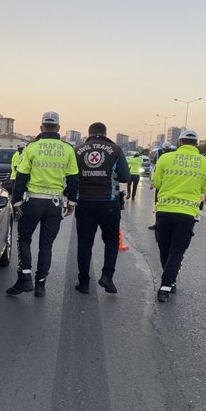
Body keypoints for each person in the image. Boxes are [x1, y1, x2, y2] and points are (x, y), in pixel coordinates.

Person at [6, 111, 79, 298]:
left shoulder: (32, 147)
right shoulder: (67, 149)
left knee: (24, 238)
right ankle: (40, 285)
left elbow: (21, 176)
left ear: (41, 127)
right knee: (46, 245)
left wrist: (16, 202)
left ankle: (25, 277)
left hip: (33, 202)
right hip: (55, 204)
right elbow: (73, 179)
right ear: (59, 128)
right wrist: (71, 202)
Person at [151, 130, 206, 302]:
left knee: (164, 248)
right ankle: (167, 284)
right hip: (187, 214)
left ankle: (168, 282)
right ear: (196, 145)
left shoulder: (165, 158)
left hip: (164, 211)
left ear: (179, 143)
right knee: (177, 251)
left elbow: (156, 182)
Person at [73, 122, 130, 294]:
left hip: (84, 202)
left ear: (89, 133)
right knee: (112, 241)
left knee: (84, 243)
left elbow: (71, 175)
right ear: (105, 133)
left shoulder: (77, 150)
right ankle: (107, 277)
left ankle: (83, 283)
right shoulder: (116, 150)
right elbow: (126, 177)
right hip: (109, 203)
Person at [148, 142, 176, 230]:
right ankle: (161, 224)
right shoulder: (174, 158)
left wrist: (153, 184)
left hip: (162, 187)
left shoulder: (162, 158)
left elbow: (156, 173)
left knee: (158, 204)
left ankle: (158, 224)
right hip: (171, 186)